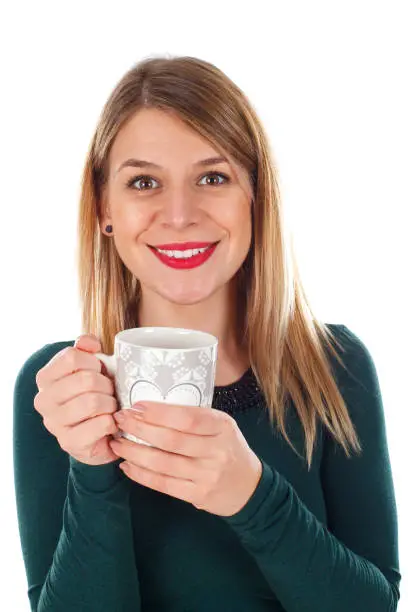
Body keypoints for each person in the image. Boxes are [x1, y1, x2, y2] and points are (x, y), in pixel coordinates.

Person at [13, 55, 401, 612]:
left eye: (212, 177)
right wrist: (92, 470)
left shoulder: (334, 366)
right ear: (105, 208)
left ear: (255, 196)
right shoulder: (61, 389)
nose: (179, 214)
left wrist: (253, 497)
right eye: (144, 182)